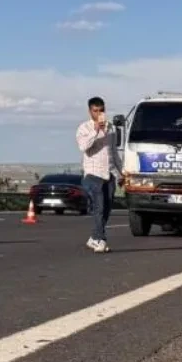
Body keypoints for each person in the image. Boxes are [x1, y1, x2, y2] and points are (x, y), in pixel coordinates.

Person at [74, 96, 121, 253]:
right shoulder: (84, 128)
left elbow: (114, 152)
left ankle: (94, 237)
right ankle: (101, 240)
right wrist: (95, 130)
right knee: (99, 206)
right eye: (95, 111)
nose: (99, 113)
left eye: (101, 110)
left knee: (107, 208)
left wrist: (121, 173)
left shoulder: (111, 128)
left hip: (109, 173)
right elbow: (83, 147)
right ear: (90, 111)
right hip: (93, 173)